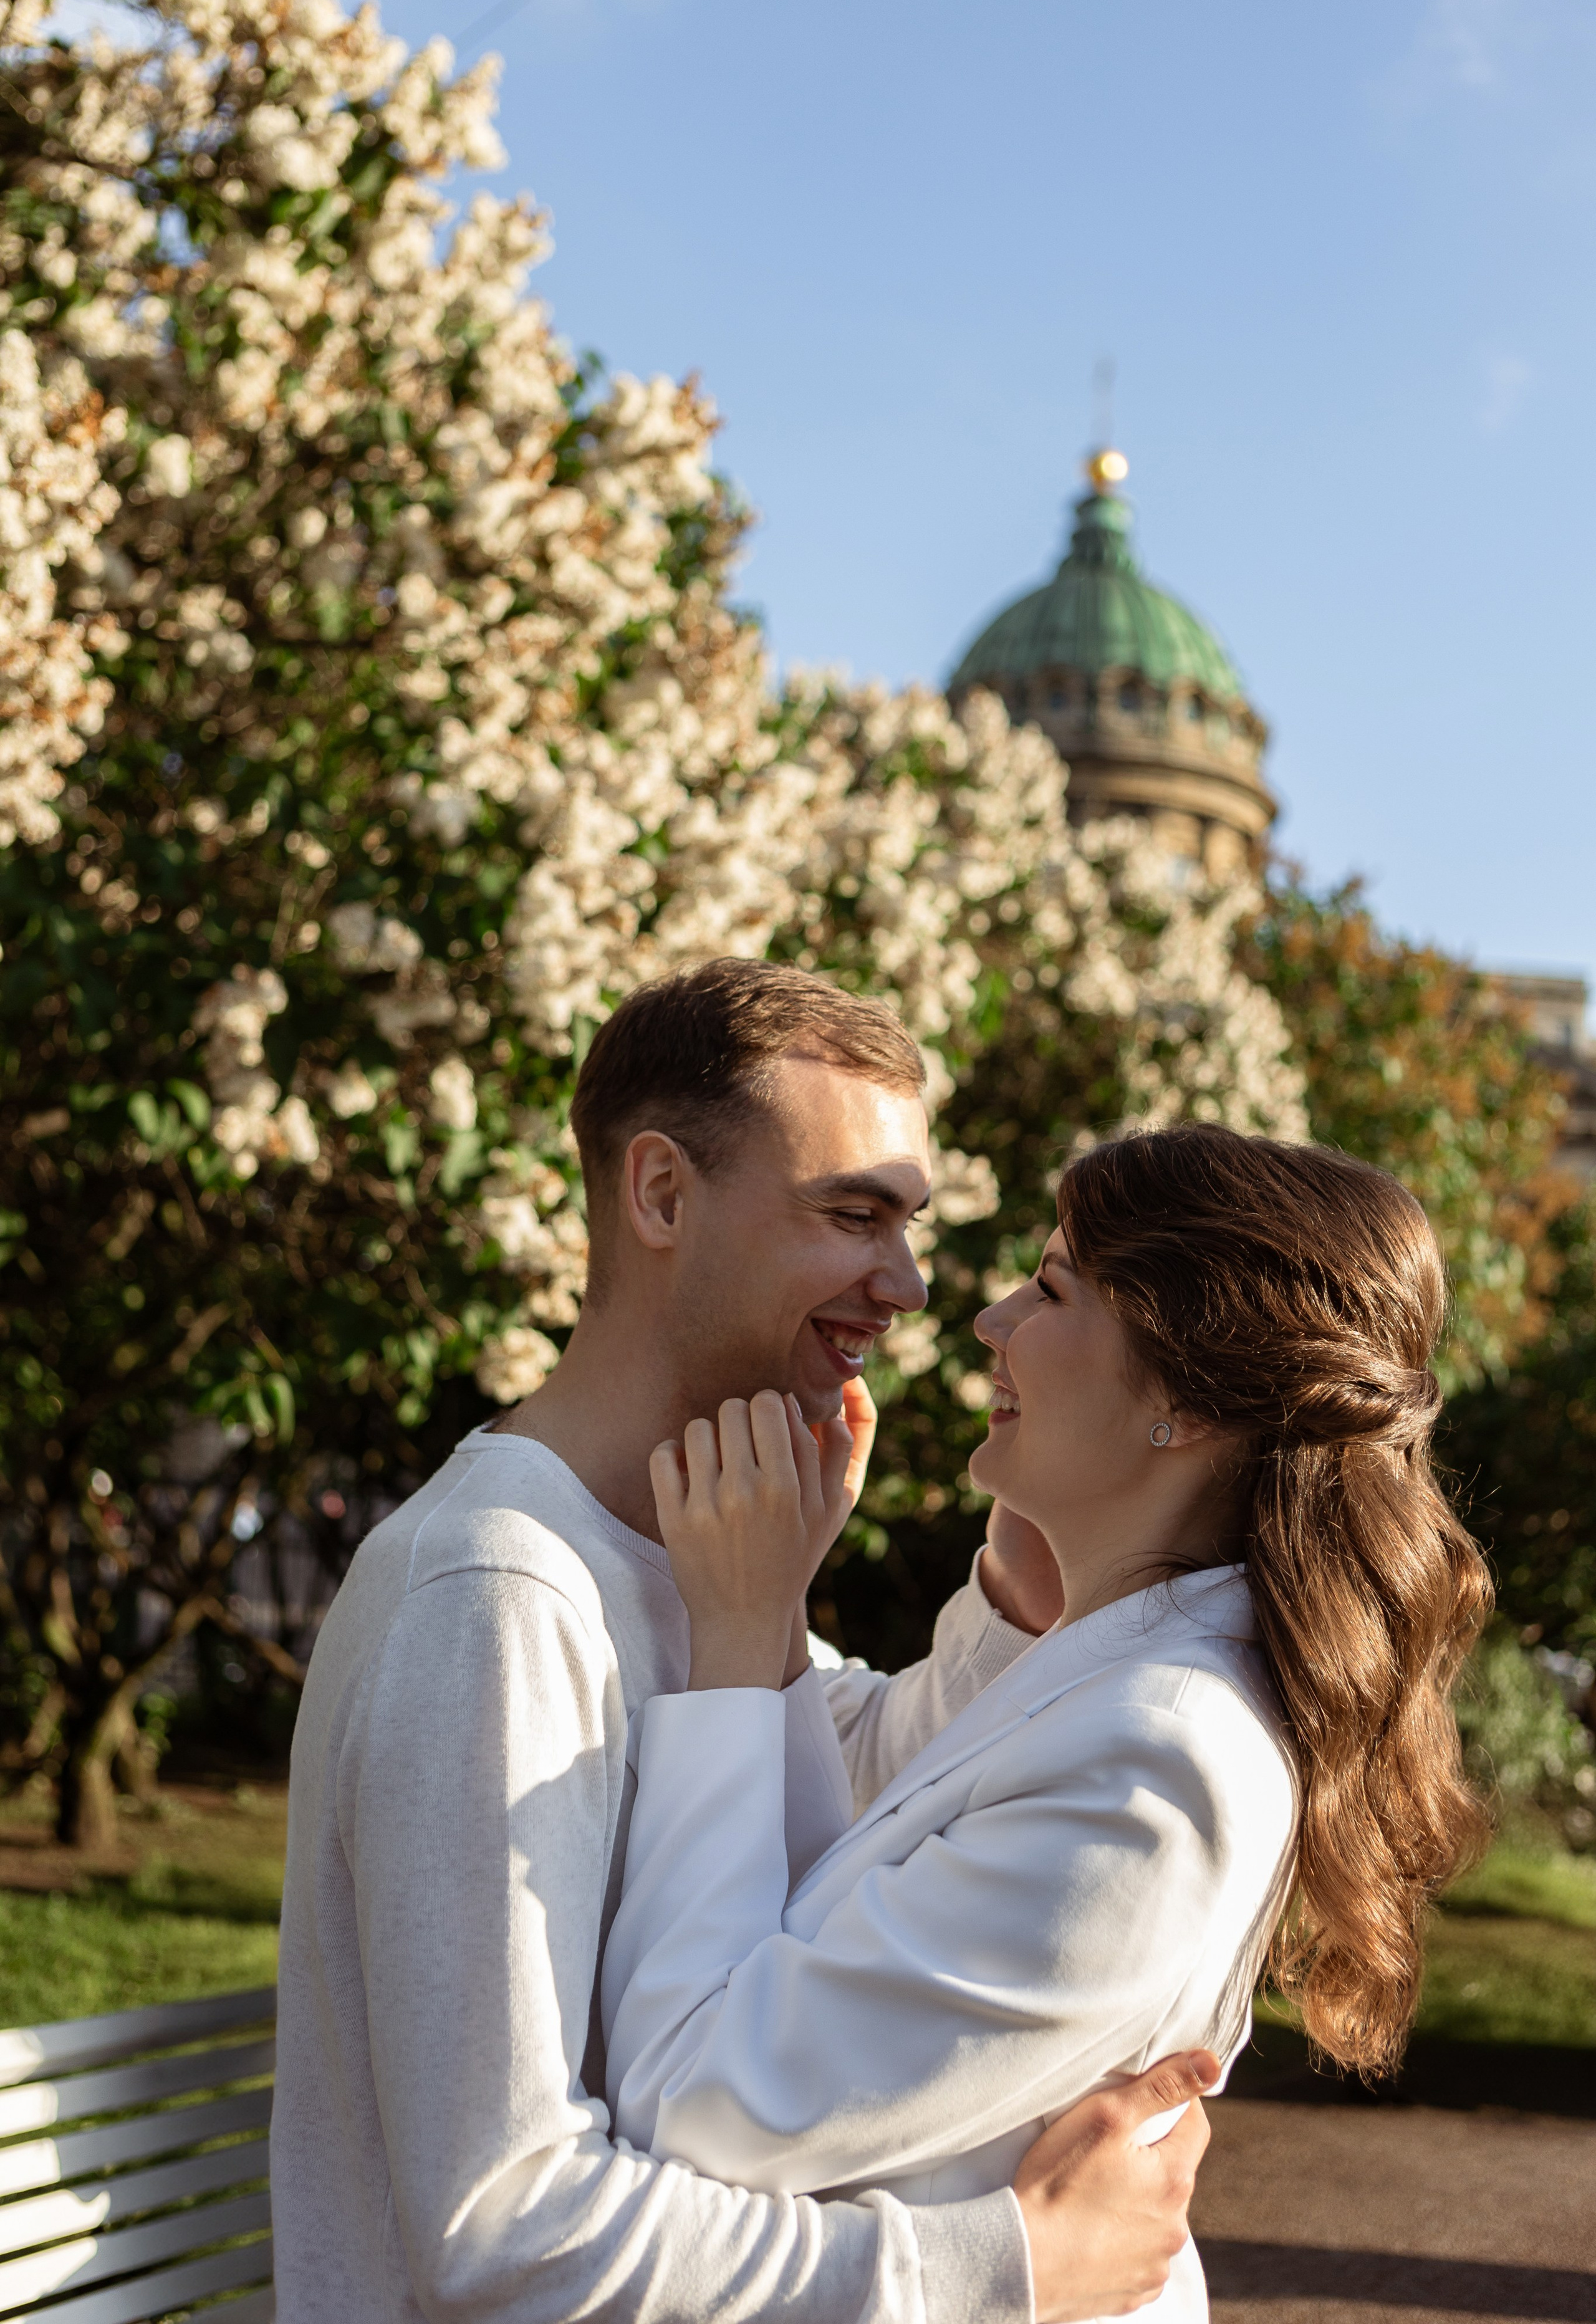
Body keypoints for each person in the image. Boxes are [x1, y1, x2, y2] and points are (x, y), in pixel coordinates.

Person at [272, 960, 1218, 2324]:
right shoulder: (494, 1596)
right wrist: (1003, 2266)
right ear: (660, 1194)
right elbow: (503, 2232)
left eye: (909, 1224)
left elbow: (847, 1813)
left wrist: (1006, 1580)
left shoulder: (680, 1551)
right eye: (853, 1215)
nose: (904, 1286)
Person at [598, 1124, 1494, 2324]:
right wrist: (1012, 1601)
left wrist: (741, 1633)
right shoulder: (1121, 1676)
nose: (992, 1320)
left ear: (1181, 1395)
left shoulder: (1163, 1762)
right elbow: (861, 1827)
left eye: (1055, 1287)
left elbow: (699, 2100)